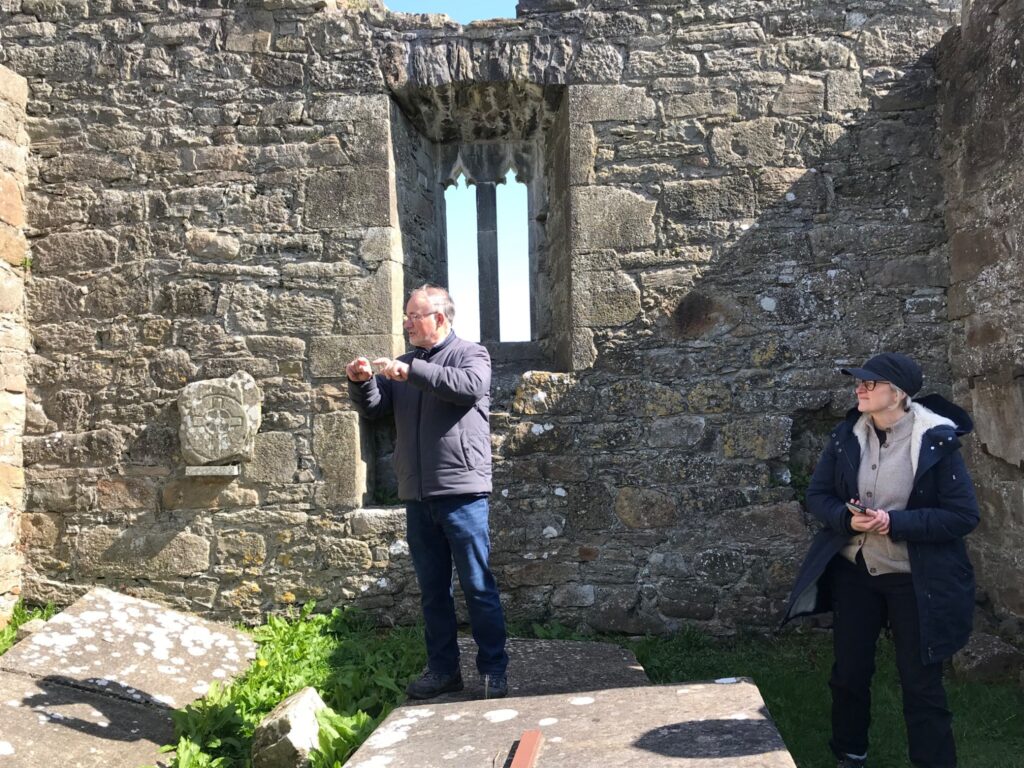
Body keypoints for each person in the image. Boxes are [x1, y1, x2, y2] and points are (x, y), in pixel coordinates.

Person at [782, 352, 979, 768]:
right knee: (849, 674)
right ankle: (850, 754)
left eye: (869, 383)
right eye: (859, 381)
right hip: (856, 573)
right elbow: (818, 495)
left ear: (899, 393)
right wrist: (845, 517)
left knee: (921, 685)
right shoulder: (847, 435)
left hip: (915, 579)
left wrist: (895, 522)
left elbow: (963, 516)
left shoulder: (936, 440)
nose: (859, 388)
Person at [346, 284, 509, 700]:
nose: (407, 323)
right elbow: (376, 408)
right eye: (406, 316)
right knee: (433, 592)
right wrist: (362, 382)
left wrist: (411, 373)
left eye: (413, 316)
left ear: (438, 318)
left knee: (478, 586)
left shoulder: (472, 354)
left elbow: (469, 387)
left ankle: (493, 671)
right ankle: (443, 671)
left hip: (462, 493)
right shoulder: (404, 365)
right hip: (418, 496)